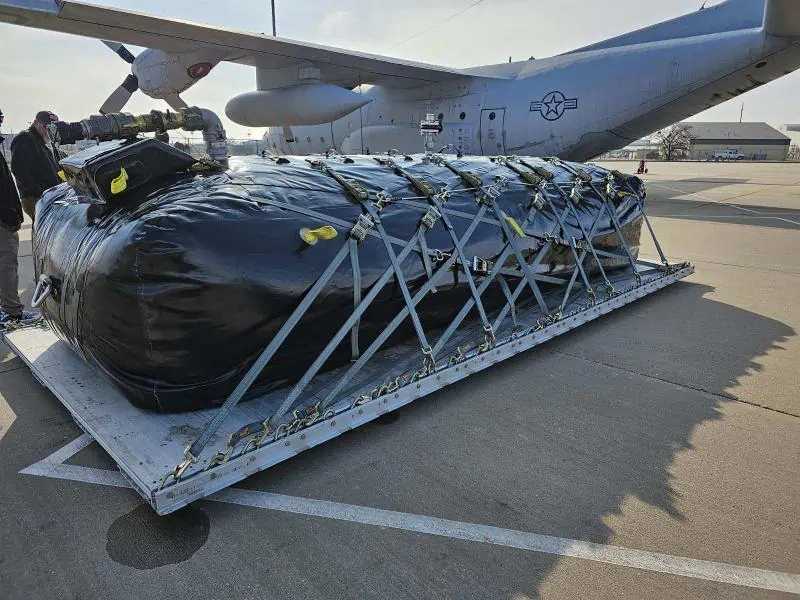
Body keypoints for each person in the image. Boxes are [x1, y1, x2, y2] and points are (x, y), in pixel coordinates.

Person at [0, 109, 39, 325]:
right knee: (7, 264)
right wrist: (10, 216)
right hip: (3, 221)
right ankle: (12, 312)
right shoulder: (25, 140)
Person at [10, 110, 61, 225]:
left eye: (52, 129)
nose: (49, 132)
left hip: (45, 196)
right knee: (45, 229)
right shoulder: (26, 138)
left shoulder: (40, 141)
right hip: (35, 197)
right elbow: (19, 169)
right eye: (46, 127)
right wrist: (39, 192)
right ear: (36, 123)